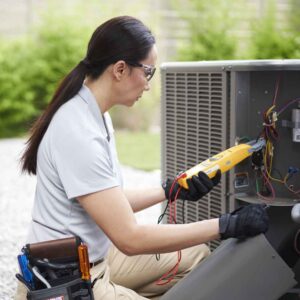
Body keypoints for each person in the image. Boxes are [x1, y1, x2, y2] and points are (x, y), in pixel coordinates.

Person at [16, 16, 269, 299]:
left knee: (196, 255)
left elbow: (109, 201)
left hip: (95, 260)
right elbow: (130, 239)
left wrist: (171, 190)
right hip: (66, 281)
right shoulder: (78, 132)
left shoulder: (95, 114)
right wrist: (226, 225)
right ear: (120, 69)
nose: (149, 85)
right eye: (148, 72)